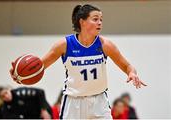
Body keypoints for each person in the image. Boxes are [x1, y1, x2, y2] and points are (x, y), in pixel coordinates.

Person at [10, 4, 147, 119]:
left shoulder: (105, 44)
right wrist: (20, 75)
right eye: (95, 19)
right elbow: (39, 66)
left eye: (101, 19)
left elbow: (127, 66)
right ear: (82, 21)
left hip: (99, 101)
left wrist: (132, 73)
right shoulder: (64, 44)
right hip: (73, 102)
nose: (99, 22)